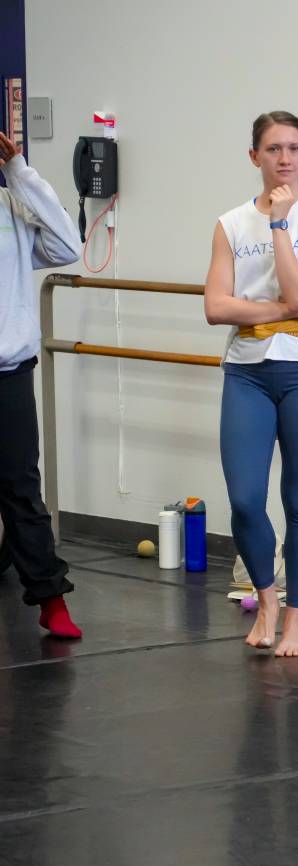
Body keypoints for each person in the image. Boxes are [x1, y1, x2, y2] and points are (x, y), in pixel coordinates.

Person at [204, 111, 298, 657]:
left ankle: (293, 622)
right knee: (244, 498)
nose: (284, 158)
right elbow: (216, 307)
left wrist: (282, 226)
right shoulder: (230, 223)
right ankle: (265, 597)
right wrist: (280, 308)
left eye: (293, 148)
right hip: (247, 371)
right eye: (272, 149)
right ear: (254, 157)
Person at [0, 131, 84, 639]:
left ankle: (51, 602)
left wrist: (20, 172)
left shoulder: (12, 205)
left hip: (8, 373)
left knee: (21, 491)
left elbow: (67, 245)